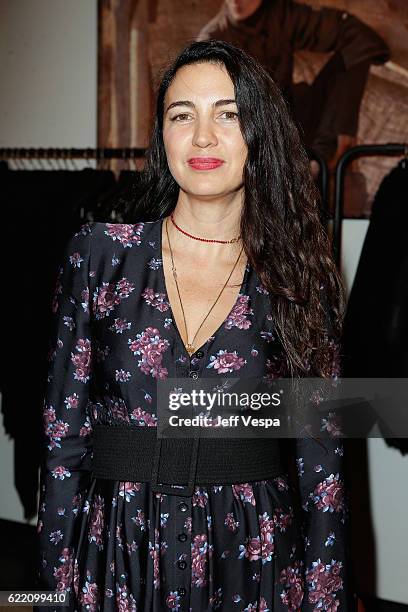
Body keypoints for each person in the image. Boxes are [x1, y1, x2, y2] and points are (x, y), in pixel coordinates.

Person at [36, 40, 356, 611]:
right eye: (182, 115)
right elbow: (63, 439)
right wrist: (56, 588)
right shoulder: (100, 254)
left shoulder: (299, 278)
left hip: (253, 556)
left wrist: (325, 600)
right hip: (116, 552)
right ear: (162, 136)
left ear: (259, 133)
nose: (203, 137)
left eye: (227, 114)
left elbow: (322, 466)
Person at [197, 0, 390, 172]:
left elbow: (355, 35)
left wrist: (344, 125)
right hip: (248, 145)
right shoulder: (212, 41)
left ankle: (324, 158)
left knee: (358, 49)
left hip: (294, 128)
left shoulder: (283, 15)